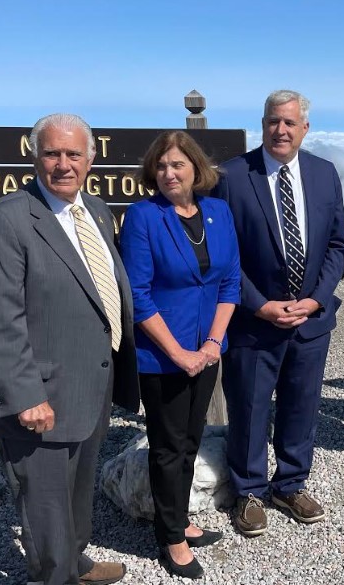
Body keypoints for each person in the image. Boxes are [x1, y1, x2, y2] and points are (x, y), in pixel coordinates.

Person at [0, 113, 139, 585]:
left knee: (77, 492)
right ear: (34, 155)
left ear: (91, 159)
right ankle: (54, 575)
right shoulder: (4, 221)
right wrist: (25, 396)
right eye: (52, 153)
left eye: (73, 154)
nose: (63, 164)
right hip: (39, 398)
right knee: (44, 509)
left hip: (88, 384)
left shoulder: (96, 211)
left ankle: (75, 560)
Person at [212, 90, 344, 537]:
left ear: (305, 128)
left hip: (310, 321)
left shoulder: (325, 175)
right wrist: (261, 305)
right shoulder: (232, 176)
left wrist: (317, 300)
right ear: (263, 124)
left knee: (301, 405)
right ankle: (248, 490)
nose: (281, 130)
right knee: (249, 406)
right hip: (255, 321)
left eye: (290, 123)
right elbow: (224, 256)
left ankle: (290, 483)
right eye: (273, 121)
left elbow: (337, 245)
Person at [119, 132, 241, 579]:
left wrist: (210, 345)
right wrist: (178, 353)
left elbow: (229, 283)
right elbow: (138, 295)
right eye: (161, 166)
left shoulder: (217, 211)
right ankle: (170, 537)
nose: (169, 173)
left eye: (178, 165)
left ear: (196, 169)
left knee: (190, 440)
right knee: (168, 448)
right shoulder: (143, 217)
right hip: (162, 355)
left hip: (206, 351)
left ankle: (180, 519)